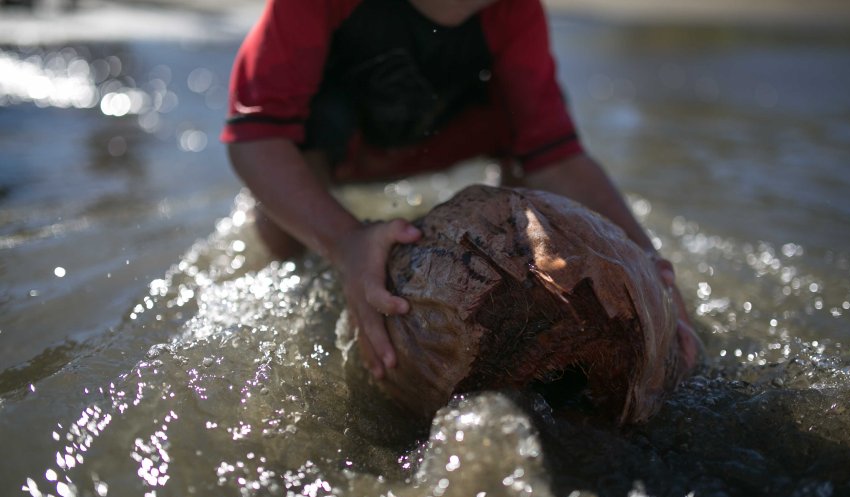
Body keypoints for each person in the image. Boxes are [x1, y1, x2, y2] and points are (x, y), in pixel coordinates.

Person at [222, 0, 699, 381]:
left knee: (529, 148)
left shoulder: (514, 10)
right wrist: (345, 241)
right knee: (285, 240)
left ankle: (530, 298)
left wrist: (644, 261)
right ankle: (306, 250)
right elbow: (256, 138)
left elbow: (556, 157)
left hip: (443, 134)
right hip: (331, 147)